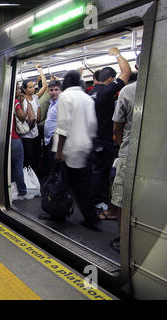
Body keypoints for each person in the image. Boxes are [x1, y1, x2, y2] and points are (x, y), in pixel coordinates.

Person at [52, 71, 100, 230]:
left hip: (69, 148)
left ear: (66, 82)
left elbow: (63, 126)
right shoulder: (86, 97)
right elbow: (93, 124)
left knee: (70, 183)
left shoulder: (65, 96)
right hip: (85, 145)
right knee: (78, 183)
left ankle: (59, 213)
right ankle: (88, 217)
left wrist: (59, 151)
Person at [104, 54, 140, 252]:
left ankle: (124, 242)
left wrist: (119, 146)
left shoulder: (128, 91)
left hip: (129, 153)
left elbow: (117, 126)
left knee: (121, 201)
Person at [88, 47, 131, 212]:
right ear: (111, 79)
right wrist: (118, 55)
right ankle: (97, 201)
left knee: (93, 170)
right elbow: (126, 72)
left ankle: (91, 199)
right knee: (101, 172)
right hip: (103, 140)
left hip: (90, 139)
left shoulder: (89, 93)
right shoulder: (107, 91)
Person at [20, 64, 47, 177]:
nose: (33, 88)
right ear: (25, 90)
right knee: (29, 158)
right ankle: (28, 178)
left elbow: (44, 86)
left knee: (36, 156)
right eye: (30, 87)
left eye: (33, 86)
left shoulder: (35, 98)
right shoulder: (22, 100)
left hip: (35, 133)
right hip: (26, 135)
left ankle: (35, 177)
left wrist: (41, 71)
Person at [11, 87, 34, 201]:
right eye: (18, 89)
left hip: (4, 140)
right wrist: (21, 104)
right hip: (14, 138)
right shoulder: (14, 102)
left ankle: (10, 187)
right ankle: (22, 191)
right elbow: (22, 117)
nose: (20, 92)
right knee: (18, 166)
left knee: (9, 166)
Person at [42, 80, 62, 176]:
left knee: (56, 166)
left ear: (61, 91)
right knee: (51, 165)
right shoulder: (52, 103)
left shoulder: (61, 103)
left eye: (56, 90)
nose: (53, 92)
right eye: (51, 90)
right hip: (49, 139)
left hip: (56, 139)